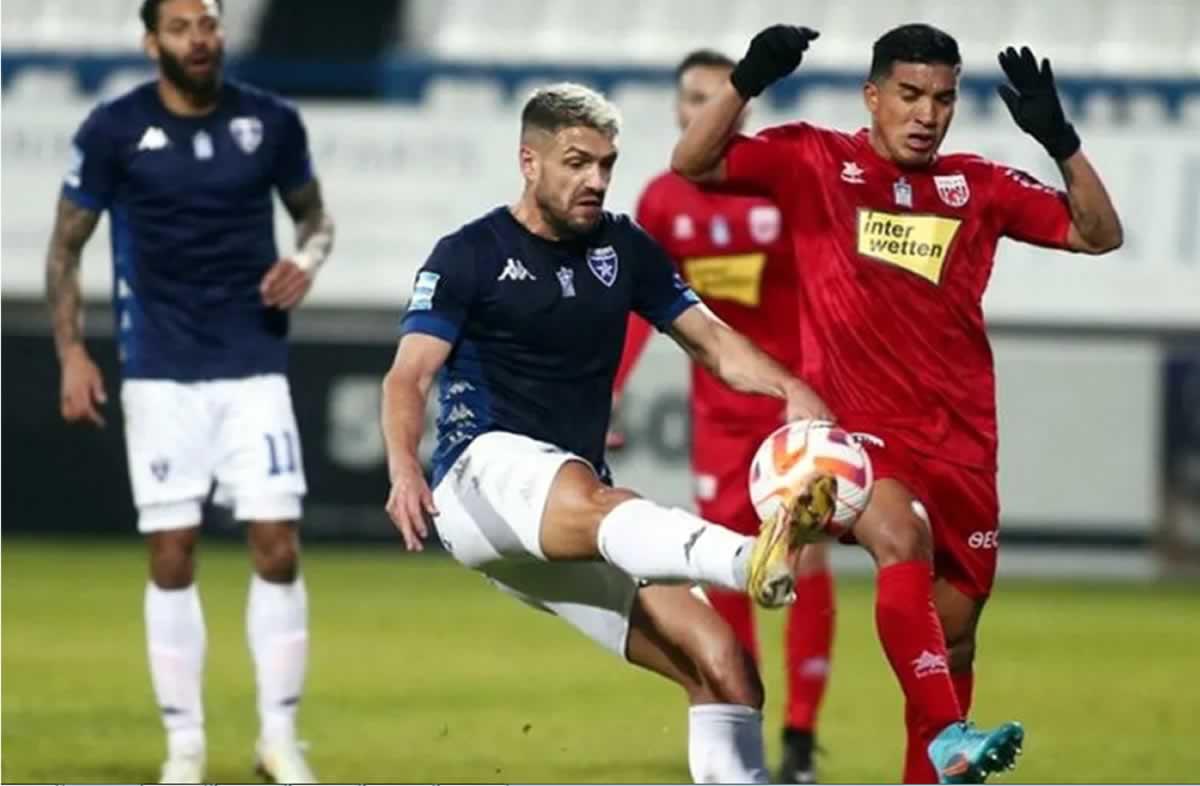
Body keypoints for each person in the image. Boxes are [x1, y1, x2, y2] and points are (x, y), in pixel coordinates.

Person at [671, 23, 1122, 784]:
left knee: (952, 647)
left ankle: (935, 752)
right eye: (910, 95)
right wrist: (748, 79)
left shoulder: (978, 186)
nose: (926, 115)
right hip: (863, 439)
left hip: (966, 447)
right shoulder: (816, 159)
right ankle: (951, 735)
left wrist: (1060, 139)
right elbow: (692, 162)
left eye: (943, 99)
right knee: (898, 537)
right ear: (872, 97)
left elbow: (1099, 234)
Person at [381, 82, 837, 784]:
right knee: (598, 501)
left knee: (723, 667)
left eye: (606, 164)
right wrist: (404, 468)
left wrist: (788, 385)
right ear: (528, 162)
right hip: (480, 478)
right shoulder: (467, 253)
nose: (594, 180)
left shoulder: (625, 249)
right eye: (576, 162)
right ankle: (749, 559)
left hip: (563, 523)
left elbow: (711, 343)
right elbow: (407, 378)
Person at [45, 0, 335, 781]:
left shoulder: (270, 122)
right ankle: (185, 745)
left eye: (207, 24)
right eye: (181, 28)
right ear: (152, 43)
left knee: (278, 545)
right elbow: (66, 247)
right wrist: (72, 353)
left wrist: (305, 262)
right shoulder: (113, 130)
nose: (199, 39)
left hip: (253, 365)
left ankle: (278, 739)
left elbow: (316, 221)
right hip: (161, 371)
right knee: (172, 552)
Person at [611, 49, 835, 784]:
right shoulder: (662, 203)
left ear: (740, 111)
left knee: (806, 555)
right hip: (719, 415)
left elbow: (829, 294)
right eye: (693, 98)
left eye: (719, 98)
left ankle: (801, 737)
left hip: (794, 399)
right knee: (729, 561)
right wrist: (607, 390)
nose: (703, 109)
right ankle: (748, 729)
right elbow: (644, 312)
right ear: (680, 111)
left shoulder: (774, 189)